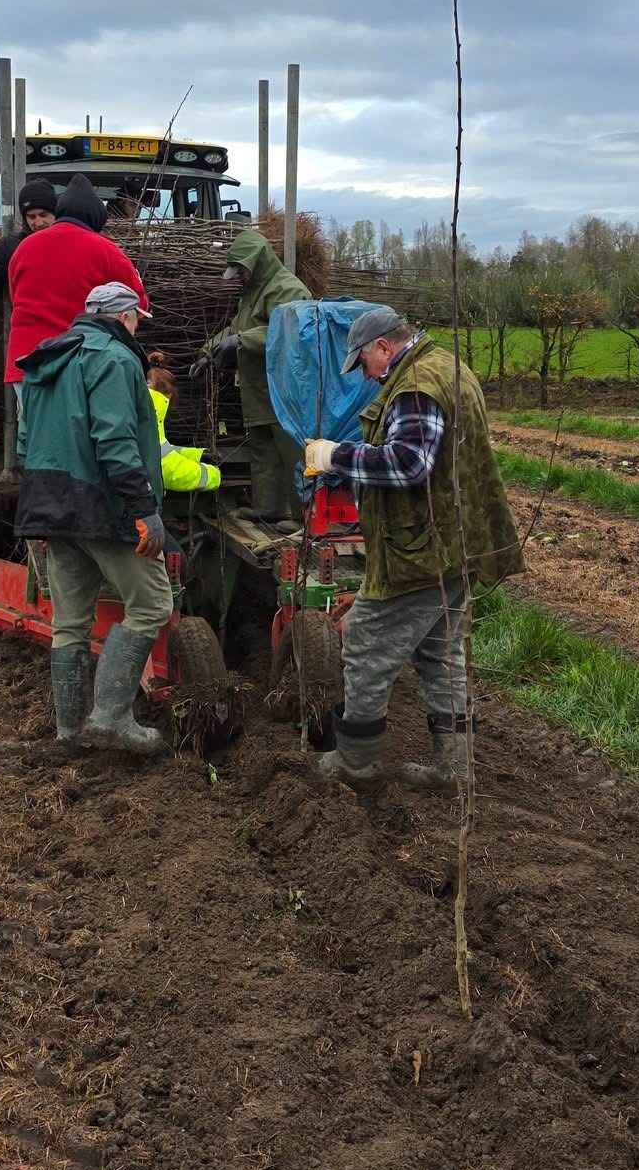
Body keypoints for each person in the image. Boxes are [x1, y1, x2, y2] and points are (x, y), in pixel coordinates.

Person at [303, 305, 524, 790]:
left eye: (364, 361)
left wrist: (333, 456)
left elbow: (408, 464)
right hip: (457, 543)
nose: (365, 374)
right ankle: (452, 768)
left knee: (363, 637)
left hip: (420, 551)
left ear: (384, 346)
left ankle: (355, 765)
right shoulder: (450, 366)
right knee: (441, 651)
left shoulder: (417, 384)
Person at [14, 280, 173, 761]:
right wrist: (144, 509)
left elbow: (26, 441)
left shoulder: (49, 357)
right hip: (102, 504)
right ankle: (110, 719)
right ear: (126, 317)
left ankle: (68, 735)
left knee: (71, 622)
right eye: (136, 321)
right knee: (151, 604)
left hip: (50, 505)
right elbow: (114, 441)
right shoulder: (116, 359)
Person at [194, 226, 309, 520]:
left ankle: (302, 518)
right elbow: (236, 327)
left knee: (293, 453)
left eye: (242, 270)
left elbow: (290, 330)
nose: (240, 277)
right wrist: (209, 351)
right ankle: (267, 508)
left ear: (258, 261)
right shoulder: (253, 293)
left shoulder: (286, 288)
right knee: (262, 448)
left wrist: (243, 341)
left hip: (284, 388)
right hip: (260, 387)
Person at [5, 174, 149, 390]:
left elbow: (15, 298)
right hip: (76, 360)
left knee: (34, 423)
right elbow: (138, 305)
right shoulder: (106, 250)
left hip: (26, 362)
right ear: (95, 218)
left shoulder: (23, 249)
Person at [147, 355, 221, 495]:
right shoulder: (149, 410)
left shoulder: (140, 408)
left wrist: (198, 455)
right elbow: (165, 467)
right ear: (166, 393)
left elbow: (163, 449)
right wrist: (212, 475)